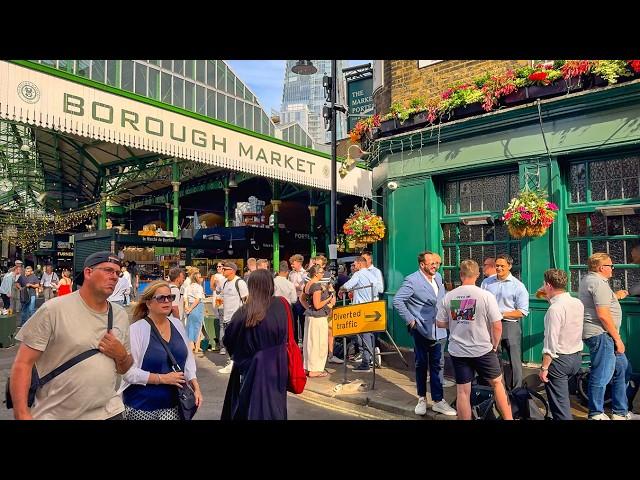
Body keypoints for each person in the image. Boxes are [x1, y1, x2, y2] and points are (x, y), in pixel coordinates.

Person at [9, 251, 132, 420]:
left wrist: (121, 355)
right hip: (58, 414)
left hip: (110, 412)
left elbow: (125, 368)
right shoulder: (54, 309)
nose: (115, 277)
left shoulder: (120, 315)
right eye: (108, 270)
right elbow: (23, 363)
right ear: (88, 273)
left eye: (117, 273)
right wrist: (21, 413)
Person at [436, 259, 513, 420]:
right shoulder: (485, 296)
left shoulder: (449, 296)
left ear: (461, 274)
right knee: (498, 384)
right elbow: (497, 325)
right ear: (477, 275)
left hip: (458, 351)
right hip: (483, 349)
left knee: (463, 391)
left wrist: (455, 321)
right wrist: (495, 344)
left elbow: (440, 323)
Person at [119, 281, 202, 420]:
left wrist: (195, 386)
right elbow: (128, 373)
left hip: (174, 406)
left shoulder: (177, 324)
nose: (167, 301)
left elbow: (188, 360)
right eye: (161, 298)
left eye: (170, 297)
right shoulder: (137, 330)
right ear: (148, 303)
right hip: (142, 407)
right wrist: (163, 379)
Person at [393, 251, 457, 416]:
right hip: (421, 330)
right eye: (432, 263)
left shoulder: (438, 278)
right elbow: (398, 300)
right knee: (421, 365)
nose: (435, 266)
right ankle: (421, 398)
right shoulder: (412, 280)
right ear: (422, 265)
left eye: (436, 263)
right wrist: (411, 320)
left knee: (438, 365)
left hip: (440, 329)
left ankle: (438, 401)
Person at [220, 269, 289, 420]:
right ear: (271, 285)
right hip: (278, 364)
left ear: (251, 286)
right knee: (275, 406)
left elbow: (228, 339)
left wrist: (240, 355)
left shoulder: (245, 311)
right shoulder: (282, 305)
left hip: (253, 368)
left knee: (253, 408)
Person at [579, 252, 639, 420]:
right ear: (601, 268)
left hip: (605, 335)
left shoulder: (591, 280)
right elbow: (603, 314)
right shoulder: (598, 283)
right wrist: (618, 339)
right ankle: (596, 413)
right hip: (602, 335)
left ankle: (620, 412)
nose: (612, 269)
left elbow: (603, 302)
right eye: (610, 266)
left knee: (624, 370)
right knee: (601, 374)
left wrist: (617, 296)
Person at [538, 269, 584, 420]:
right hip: (576, 358)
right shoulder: (577, 302)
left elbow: (551, 344)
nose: (543, 286)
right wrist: (547, 296)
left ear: (549, 285)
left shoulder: (554, 309)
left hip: (559, 361)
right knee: (563, 402)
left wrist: (544, 368)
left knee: (560, 408)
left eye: (544, 284)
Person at [481, 253, 529, 389]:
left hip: (509, 325)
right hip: (490, 325)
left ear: (510, 266)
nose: (499, 268)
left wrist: (501, 314)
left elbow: (522, 311)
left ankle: (517, 390)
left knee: (514, 360)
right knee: (494, 358)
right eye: (497, 265)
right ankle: (498, 389)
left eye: (502, 266)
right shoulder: (486, 283)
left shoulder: (518, 286)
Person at [339, 256, 379, 373]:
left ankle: (366, 362)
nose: (353, 266)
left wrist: (341, 290)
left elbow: (347, 286)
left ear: (360, 264)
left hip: (361, 308)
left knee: (364, 335)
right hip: (372, 306)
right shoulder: (372, 275)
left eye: (355, 264)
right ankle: (370, 359)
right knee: (369, 334)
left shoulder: (358, 274)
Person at [302, 265, 336, 378]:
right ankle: (315, 370)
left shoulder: (308, 284)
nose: (323, 274)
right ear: (316, 273)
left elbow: (301, 299)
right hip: (318, 318)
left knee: (310, 343)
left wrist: (308, 308)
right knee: (319, 344)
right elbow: (317, 305)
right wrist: (328, 299)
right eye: (321, 272)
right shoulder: (316, 286)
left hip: (310, 317)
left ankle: (308, 368)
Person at [218, 261, 248, 373]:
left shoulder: (239, 282)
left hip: (236, 319)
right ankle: (233, 362)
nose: (222, 271)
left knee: (235, 342)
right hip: (226, 317)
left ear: (232, 270)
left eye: (225, 269)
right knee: (229, 341)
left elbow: (246, 300)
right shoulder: (225, 283)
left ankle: (233, 363)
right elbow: (222, 298)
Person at [185, 270, 205, 356]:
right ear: (197, 278)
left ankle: (191, 346)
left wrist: (187, 307)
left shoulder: (188, 287)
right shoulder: (199, 287)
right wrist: (191, 308)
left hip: (189, 306)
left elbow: (185, 298)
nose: (202, 278)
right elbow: (198, 299)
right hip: (197, 307)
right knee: (198, 327)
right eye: (200, 277)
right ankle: (197, 347)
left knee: (190, 327)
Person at [288, 254, 307, 344]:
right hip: (293, 300)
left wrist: (297, 286)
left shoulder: (305, 273)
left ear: (299, 263)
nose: (291, 265)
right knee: (293, 322)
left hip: (301, 300)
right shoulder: (291, 274)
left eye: (293, 263)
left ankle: (304, 342)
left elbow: (305, 287)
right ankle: (294, 342)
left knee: (303, 321)